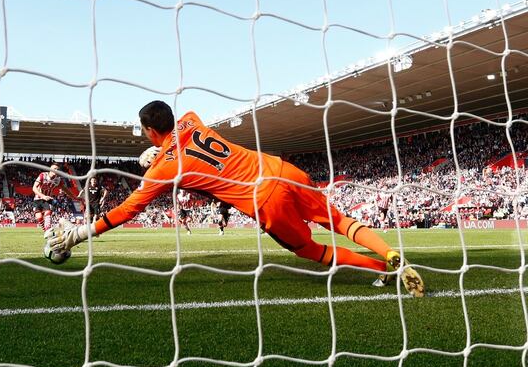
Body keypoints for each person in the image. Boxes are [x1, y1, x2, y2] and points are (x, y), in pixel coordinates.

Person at [45, 100, 425, 297]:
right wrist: (158, 154)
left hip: (264, 198)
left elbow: (130, 208)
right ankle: (391, 252)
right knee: (341, 221)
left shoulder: (162, 169)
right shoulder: (191, 118)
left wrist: (82, 233)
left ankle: (383, 271)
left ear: (147, 130)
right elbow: (182, 144)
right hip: (283, 169)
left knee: (309, 250)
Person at [32, 163, 77, 232]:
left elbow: (66, 190)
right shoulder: (43, 175)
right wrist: (43, 196)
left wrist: (74, 197)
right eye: (54, 169)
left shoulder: (58, 180)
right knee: (39, 217)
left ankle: (48, 231)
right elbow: (34, 188)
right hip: (38, 199)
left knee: (47, 214)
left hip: (48, 199)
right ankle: (47, 231)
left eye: (57, 169)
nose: (56, 170)